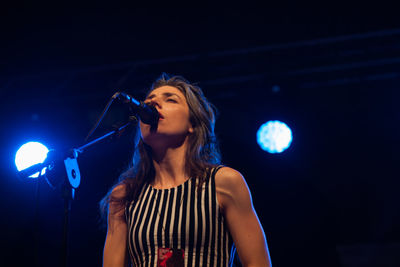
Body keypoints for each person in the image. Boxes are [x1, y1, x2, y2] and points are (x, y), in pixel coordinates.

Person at [101, 74, 272, 266]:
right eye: (149, 101)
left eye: (170, 99)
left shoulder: (223, 182)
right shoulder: (125, 195)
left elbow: (257, 262)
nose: (154, 103)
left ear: (192, 123)